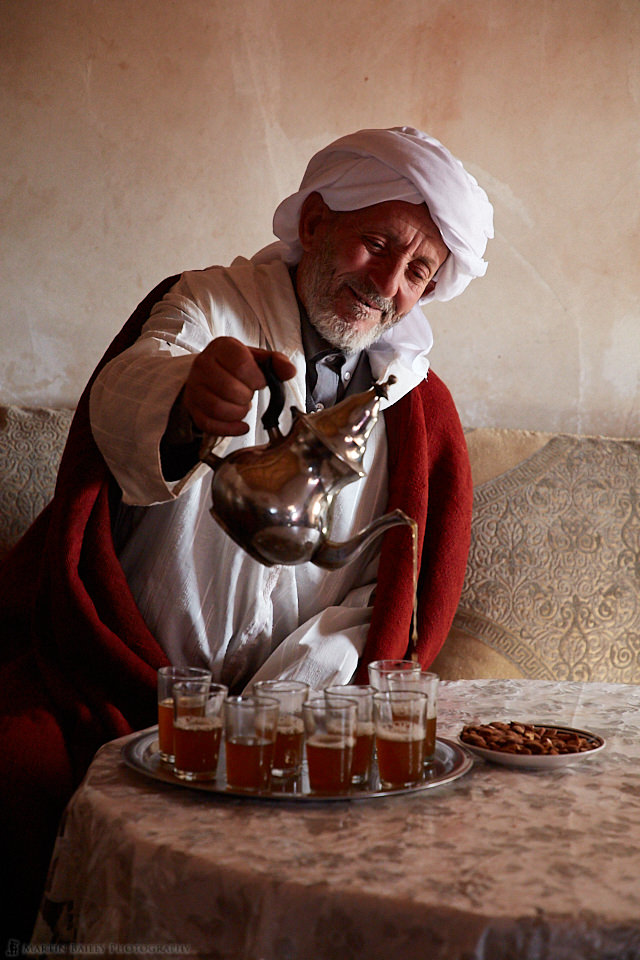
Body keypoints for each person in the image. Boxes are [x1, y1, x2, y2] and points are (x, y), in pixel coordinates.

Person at [0, 125, 492, 940]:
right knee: (17, 770)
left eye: (418, 273)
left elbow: (388, 595)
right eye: (377, 244)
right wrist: (189, 399)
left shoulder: (415, 404)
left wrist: (280, 709)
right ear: (313, 226)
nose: (388, 285)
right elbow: (128, 389)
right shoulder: (208, 303)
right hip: (126, 688)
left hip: (306, 708)